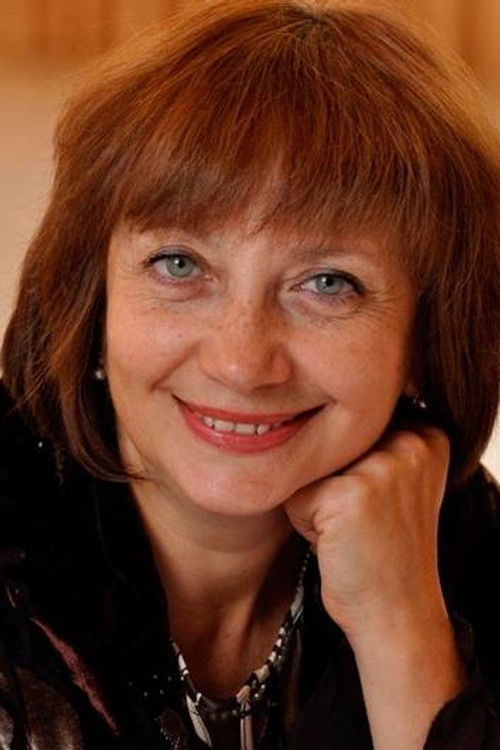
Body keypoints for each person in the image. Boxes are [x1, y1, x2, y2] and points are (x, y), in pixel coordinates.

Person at [1, 0, 500, 747]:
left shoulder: (460, 548)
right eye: (179, 265)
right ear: (91, 303)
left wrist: (401, 629)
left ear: (425, 343)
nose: (241, 362)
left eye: (328, 283)